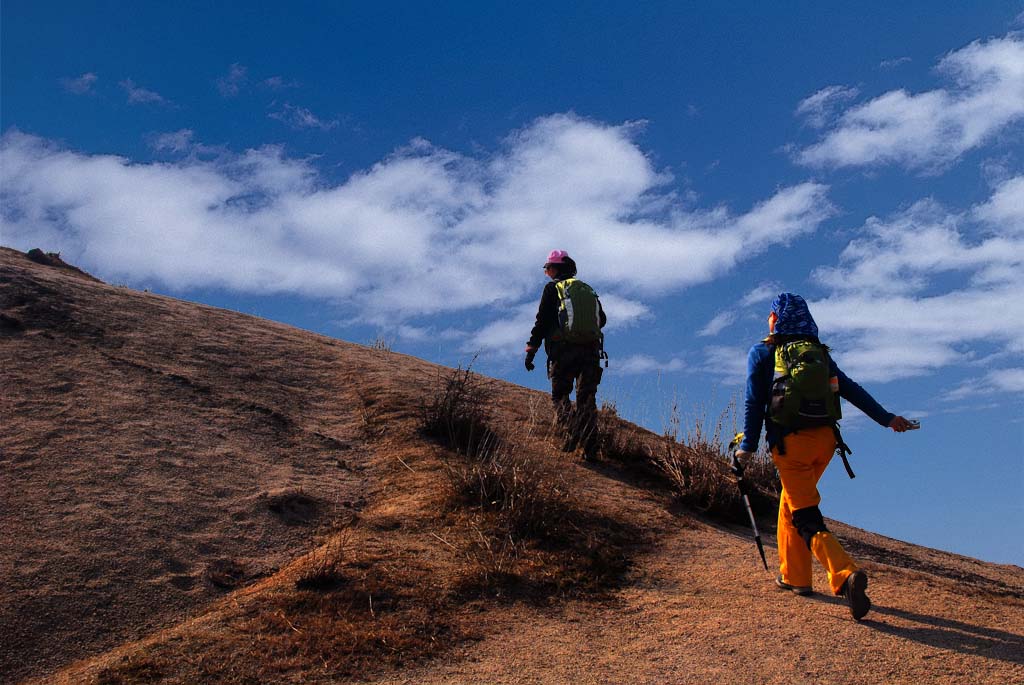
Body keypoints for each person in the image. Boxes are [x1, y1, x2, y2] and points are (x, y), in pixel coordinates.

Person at [734, 293, 915, 620]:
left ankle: (845, 575)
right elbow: (851, 389)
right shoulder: (818, 354)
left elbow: (752, 401)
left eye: (769, 315)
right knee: (790, 504)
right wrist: (887, 419)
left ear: (776, 319)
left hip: (791, 446)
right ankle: (795, 578)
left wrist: (748, 445)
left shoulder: (763, 352)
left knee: (805, 516)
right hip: (825, 443)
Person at [525, 249, 607, 459]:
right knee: (586, 399)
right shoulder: (586, 289)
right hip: (590, 351)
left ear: (555, 269)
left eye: (547, 268)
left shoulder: (553, 289)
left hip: (563, 351)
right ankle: (590, 449)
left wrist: (531, 349)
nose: (546, 272)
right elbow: (602, 319)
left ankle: (573, 432)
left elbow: (542, 321)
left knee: (560, 395)